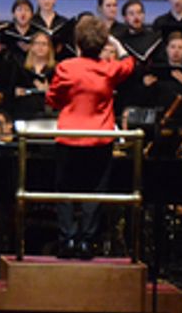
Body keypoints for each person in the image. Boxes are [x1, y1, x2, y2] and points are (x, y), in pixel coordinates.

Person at [46, 16, 134, 259]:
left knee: (63, 191)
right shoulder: (109, 68)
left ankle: (67, 240)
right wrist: (115, 42)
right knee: (95, 190)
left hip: (69, 136)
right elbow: (129, 62)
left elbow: (52, 99)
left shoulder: (66, 67)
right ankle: (86, 241)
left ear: (78, 42)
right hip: (99, 137)